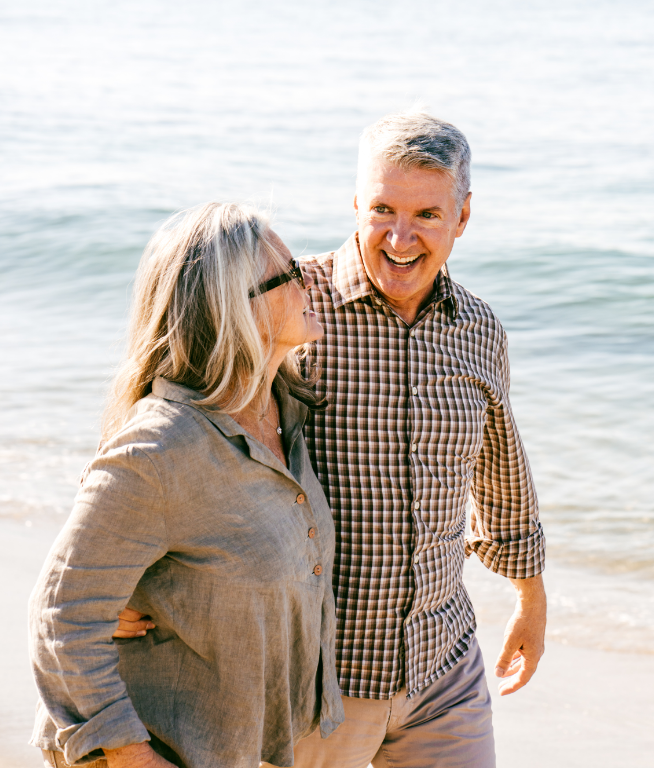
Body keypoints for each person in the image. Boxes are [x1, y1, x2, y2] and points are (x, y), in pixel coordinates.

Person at [121, 112, 548, 767]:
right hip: (315, 684)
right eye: (382, 209)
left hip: (442, 667)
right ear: (354, 203)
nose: (400, 237)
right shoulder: (289, 309)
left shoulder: (479, 330)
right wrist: (123, 576)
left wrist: (529, 596)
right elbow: (171, 429)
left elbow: (498, 467)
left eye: (427, 215)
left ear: (462, 217)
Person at [29, 202, 345, 768]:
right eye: (291, 273)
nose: (310, 282)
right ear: (237, 310)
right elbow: (62, 614)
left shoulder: (288, 413)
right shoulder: (162, 446)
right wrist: (130, 756)